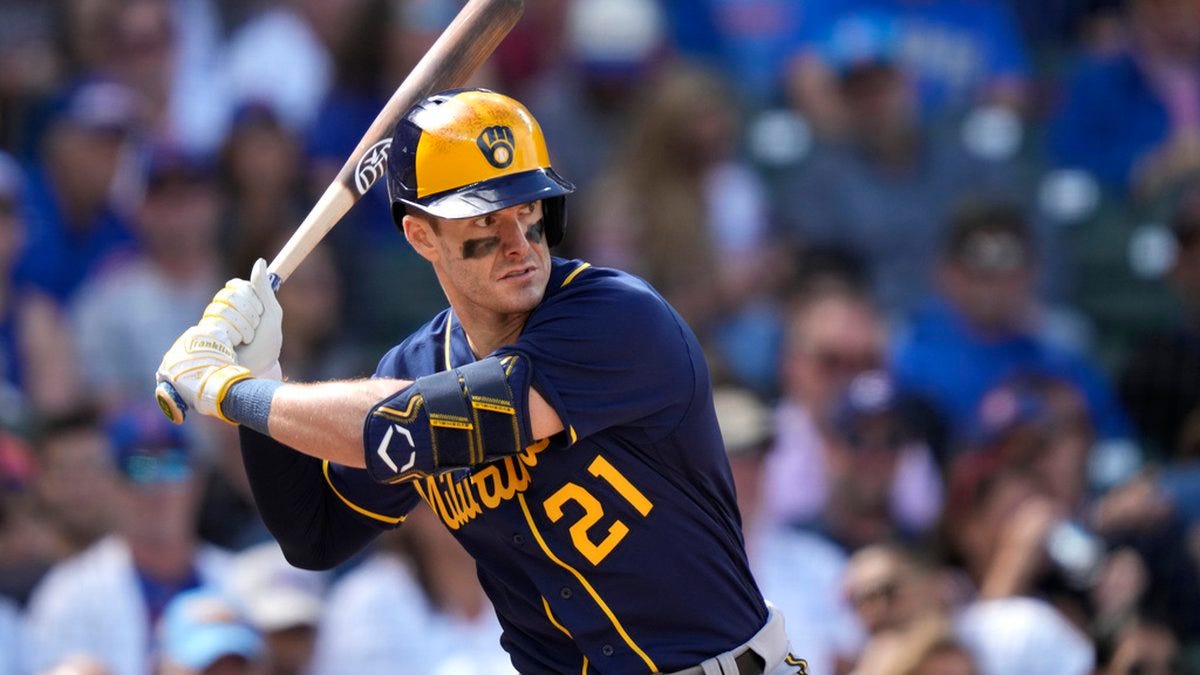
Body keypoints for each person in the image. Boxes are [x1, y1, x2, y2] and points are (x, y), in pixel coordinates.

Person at [156, 88, 807, 674]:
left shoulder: (615, 318)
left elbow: (409, 428)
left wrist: (232, 390)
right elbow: (314, 534)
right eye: (482, 222)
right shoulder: (415, 366)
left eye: (528, 211)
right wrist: (262, 372)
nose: (518, 242)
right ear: (420, 234)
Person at [23, 404, 233, 675]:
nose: (158, 488)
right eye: (138, 468)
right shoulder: (68, 595)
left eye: (174, 465)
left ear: (198, 479)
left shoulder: (241, 579)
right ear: (111, 483)